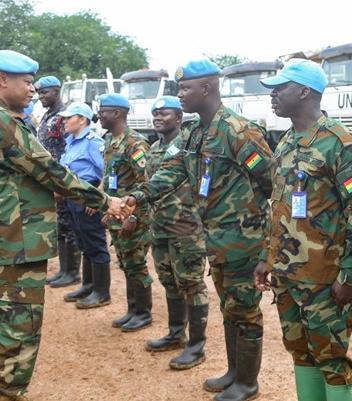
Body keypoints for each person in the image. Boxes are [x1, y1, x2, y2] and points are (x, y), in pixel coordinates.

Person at [0, 49, 124, 401]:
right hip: (14, 239)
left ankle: (5, 390)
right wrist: (105, 201)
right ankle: (7, 393)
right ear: (2, 79)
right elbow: (47, 170)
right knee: (19, 328)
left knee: (7, 321)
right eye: (27, 82)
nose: (32, 89)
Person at [119, 59, 274, 401]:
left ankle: (248, 383)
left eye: (185, 88)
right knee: (229, 308)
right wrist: (137, 196)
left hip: (244, 241)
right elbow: (173, 171)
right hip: (216, 239)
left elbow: (272, 184)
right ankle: (234, 373)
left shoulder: (238, 131)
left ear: (207, 88)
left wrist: (267, 244)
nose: (180, 94)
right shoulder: (195, 133)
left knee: (245, 310)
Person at [253, 59, 352, 401]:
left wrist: (349, 274)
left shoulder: (340, 142)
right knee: (300, 351)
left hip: (324, 277)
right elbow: (278, 206)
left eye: (280, 88)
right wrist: (266, 257)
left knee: (331, 358)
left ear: (305, 92)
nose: (273, 95)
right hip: (287, 273)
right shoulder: (286, 141)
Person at [144, 96, 209, 370]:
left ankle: (196, 346)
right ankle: (175, 333)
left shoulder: (189, 145)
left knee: (192, 284)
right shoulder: (154, 148)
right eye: (155, 113)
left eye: (165, 113)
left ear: (179, 118)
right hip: (159, 226)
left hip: (185, 227)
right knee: (169, 281)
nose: (158, 118)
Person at [97, 93, 154, 332]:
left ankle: (143, 312)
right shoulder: (110, 140)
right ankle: (133, 309)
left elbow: (145, 184)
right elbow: (109, 179)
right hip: (117, 214)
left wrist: (132, 217)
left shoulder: (135, 143)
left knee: (137, 263)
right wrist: (107, 210)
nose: (99, 115)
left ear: (117, 113)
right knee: (126, 262)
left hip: (133, 217)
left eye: (103, 112)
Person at [58, 102, 111, 309]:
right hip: (73, 198)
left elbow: (105, 172)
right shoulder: (71, 141)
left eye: (68, 117)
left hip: (89, 198)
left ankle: (101, 292)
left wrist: (98, 198)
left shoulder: (93, 143)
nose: (64, 121)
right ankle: (88, 286)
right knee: (83, 242)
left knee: (95, 243)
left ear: (82, 119)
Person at [34, 76, 81, 288]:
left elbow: (69, 150)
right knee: (60, 226)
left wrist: (62, 184)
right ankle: (63, 270)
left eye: (44, 92)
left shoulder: (63, 117)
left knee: (69, 226)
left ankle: (73, 272)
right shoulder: (48, 116)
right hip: (52, 181)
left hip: (63, 179)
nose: (40, 96)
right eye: (39, 93)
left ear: (56, 91)